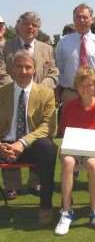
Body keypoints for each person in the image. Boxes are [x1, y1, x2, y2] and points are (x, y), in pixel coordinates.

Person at [55, 68, 95, 235]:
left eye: (90, 85)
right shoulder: (69, 107)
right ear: (76, 87)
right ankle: (67, 211)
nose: (86, 89)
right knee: (68, 161)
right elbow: (64, 132)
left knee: (91, 163)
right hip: (74, 147)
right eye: (82, 85)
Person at [2, 11, 59, 200]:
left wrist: (37, 90)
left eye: (34, 25)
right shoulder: (5, 46)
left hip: (39, 101)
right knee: (9, 133)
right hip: (11, 97)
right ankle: (12, 186)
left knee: (38, 138)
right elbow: (2, 71)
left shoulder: (46, 48)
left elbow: (54, 72)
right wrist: (18, 86)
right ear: (18, 25)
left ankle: (36, 183)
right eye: (26, 24)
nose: (30, 28)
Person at [0, 50, 57, 225]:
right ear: (11, 69)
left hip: (30, 144)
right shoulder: (2, 92)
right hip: (4, 144)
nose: (23, 71)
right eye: (19, 67)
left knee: (48, 147)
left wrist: (22, 143)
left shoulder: (46, 93)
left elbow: (49, 126)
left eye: (28, 67)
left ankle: (45, 206)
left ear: (34, 70)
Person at [56, 3, 95, 103]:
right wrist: (57, 94)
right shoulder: (63, 43)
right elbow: (59, 70)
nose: (81, 20)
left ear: (92, 19)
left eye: (85, 17)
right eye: (78, 17)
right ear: (73, 19)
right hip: (70, 94)